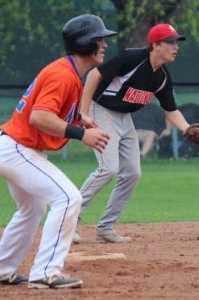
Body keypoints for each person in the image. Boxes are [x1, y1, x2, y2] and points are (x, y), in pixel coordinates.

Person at [0, 14, 116, 289]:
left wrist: (79, 119)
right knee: (68, 198)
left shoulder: (68, 73)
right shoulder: (62, 74)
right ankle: (46, 273)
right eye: (100, 40)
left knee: (32, 209)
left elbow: (51, 111)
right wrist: (81, 134)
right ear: (85, 42)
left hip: (15, 148)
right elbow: (39, 117)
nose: (104, 45)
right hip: (17, 150)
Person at [73, 23, 191, 244]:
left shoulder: (162, 76)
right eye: (170, 42)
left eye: (176, 42)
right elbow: (93, 76)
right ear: (155, 45)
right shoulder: (132, 59)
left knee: (132, 173)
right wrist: (83, 112)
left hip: (124, 118)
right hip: (102, 110)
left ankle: (106, 228)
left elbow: (171, 110)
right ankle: (67, 221)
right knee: (107, 168)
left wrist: (187, 129)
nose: (176, 47)